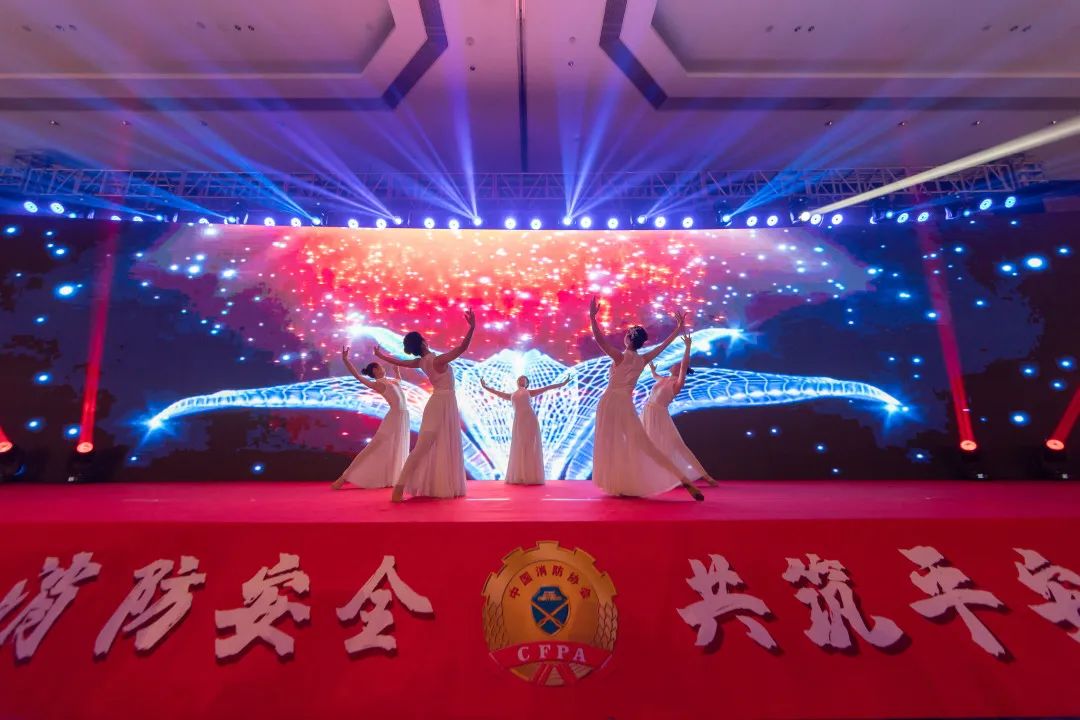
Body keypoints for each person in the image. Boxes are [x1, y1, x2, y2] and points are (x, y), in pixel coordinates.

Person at [588, 296, 704, 500]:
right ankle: (681, 477)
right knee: (643, 444)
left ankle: (621, 481)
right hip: (625, 404)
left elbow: (599, 340)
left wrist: (592, 318)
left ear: (628, 338)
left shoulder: (619, 356)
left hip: (610, 402)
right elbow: (663, 346)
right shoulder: (642, 359)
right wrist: (678, 329)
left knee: (613, 443)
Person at [375, 309, 475, 501]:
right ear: (423, 343)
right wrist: (472, 328)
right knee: (423, 446)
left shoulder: (421, 362)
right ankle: (399, 487)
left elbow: (398, 361)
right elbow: (462, 348)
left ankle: (425, 484)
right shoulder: (437, 360)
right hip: (440, 404)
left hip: (441, 403)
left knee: (431, 445)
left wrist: (381, 356)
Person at [644, 332, 718, 486]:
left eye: (677, 364)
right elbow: (655, 377)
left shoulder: (677, 383)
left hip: (659, 414)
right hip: (648, 412)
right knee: (648, 443)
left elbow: (684, 365)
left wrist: (688, 347)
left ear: (679, 370)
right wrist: (653, 371)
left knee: (675, 445)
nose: (674, 364)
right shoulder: (663, 379)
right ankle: (651, 475)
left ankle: (705, 476)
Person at [331, 346, 410, 489]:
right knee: (374, 447)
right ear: (375, 370)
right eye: (380, 366)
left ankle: (393, 478)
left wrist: (397, 371)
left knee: (396, 447)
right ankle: (344, 477)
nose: (382, 367)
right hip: (394, 418)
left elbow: (399, 381)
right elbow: (358, 376)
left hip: (403, 417)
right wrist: (346, 360)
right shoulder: (378, 384)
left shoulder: (391, 381)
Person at [480, 375, 569, 485]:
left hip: (530, 420)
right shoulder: (512, 395)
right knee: (519, 445)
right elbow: (497, 393)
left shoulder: (529, 392)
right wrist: (485, 387)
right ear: (517, 382)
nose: (521, 380)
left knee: (529, 445)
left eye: (524, 379)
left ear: (527, 383)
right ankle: (520, 475)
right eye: (519, 379)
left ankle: (530, 476)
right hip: (518, 422)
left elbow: (547, 388)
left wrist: (563, 384)